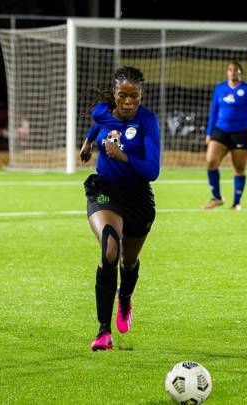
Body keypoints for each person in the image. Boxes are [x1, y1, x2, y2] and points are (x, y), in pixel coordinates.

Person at [79, 66, 161, 351]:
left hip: (138, 197)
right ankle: (104, 332)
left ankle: (124, 297)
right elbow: (99, 121)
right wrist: (88, 142)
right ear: (114, 95)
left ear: (141, 96)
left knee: (128, 262)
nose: (128, 102)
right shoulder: (103, 111)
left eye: (134, 96)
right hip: (105, 190)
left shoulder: (148, 121)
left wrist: (123, 156)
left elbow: (152, 170)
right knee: (110, 248)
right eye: (122, 95)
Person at [204, 61, 247, 210]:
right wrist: (209, 133)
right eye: (230, 70)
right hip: (220, 130)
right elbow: (213, 111)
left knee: (239, 168)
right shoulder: (220, 88)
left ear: (240, 73)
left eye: (236, 70)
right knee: (211, 161)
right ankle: (216, 197)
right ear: (227, 72)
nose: (233, 72)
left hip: (241, 132)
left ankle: (236, 203)